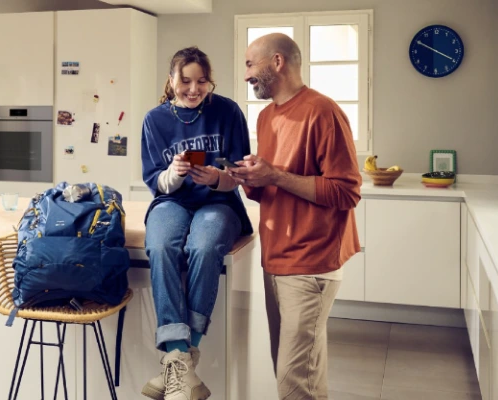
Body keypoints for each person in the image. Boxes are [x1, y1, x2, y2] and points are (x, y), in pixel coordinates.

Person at [230, 33, 362, 399]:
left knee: (293, 381)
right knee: (300, 373)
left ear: (277, 62)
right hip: (276, 261)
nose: (245, 76)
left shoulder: (322, 111)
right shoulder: (267, 118)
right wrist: (250, 179)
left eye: (249, 64)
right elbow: (271, 188)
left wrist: (274, 175)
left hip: (311, 264)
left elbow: (347, 192)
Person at [141, 46, 253, 400]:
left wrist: (216, 178)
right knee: (160, 245)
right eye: (185, 81)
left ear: (210, 81)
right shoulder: (154, 120)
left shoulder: (228, 112)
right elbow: (154, 180)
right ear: (171, 79)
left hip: (219, 202)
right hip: (171, 200)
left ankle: (183, 360)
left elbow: (239, 175)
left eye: (201, 81)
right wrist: (173, 176)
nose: (193, 89)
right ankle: (178, 357)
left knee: (203, 247)